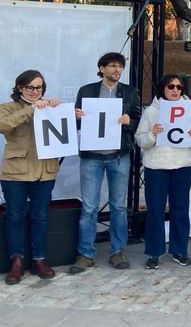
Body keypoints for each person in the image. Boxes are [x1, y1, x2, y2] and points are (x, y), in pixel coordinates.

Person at [70, 52, 142, 274]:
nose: (117, 70)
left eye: (120, 66)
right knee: (89, 207)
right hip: (92, 156)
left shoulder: (130, 92)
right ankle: (85, 253)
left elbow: (139, 119)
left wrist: (130, 121)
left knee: (118, 206)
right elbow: (76, 121)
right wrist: (76, 116)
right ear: (101, 68)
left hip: (119, 155)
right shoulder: (87, 90)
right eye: (112, 66)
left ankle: (117, 250)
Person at [135, 74, 191, 269]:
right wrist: (152, 134)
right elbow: (140, 139)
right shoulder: (151, 112)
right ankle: (154, 252)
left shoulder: (189, 110)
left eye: (179, 87)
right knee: (155, 210)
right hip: (157, 168)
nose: (175, 90)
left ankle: (179, 249)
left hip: (181, 166)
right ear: (163, 88)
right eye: (171, 86)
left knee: (180, 210)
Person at [0, 70, 61, 284]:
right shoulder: (8, 107)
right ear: (20, 88)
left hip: (45, 171)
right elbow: (3, 125)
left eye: (39, 88)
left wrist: (67, 113)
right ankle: (16, 261)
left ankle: (39, 259)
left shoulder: (51, 107)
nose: (36, 92)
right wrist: (31, 110)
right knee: (15, 217)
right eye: (31, 88)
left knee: (40, 216)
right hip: (15, 172)